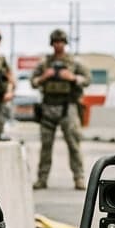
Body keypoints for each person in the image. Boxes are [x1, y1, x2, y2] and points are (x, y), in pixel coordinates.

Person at [30, 29, 90, 190]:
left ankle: (79, 177)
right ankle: (42, 178)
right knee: (46, 145)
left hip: (68, 106)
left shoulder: (74, 63)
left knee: (73, 144)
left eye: (61, 42)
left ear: (65, 43)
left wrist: (73, 77)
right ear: (52, 44)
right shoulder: (45, 64)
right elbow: (33, 82)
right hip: (48, 106)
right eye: (56, 42)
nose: (58, 45)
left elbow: (87, 79)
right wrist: (44, 76)